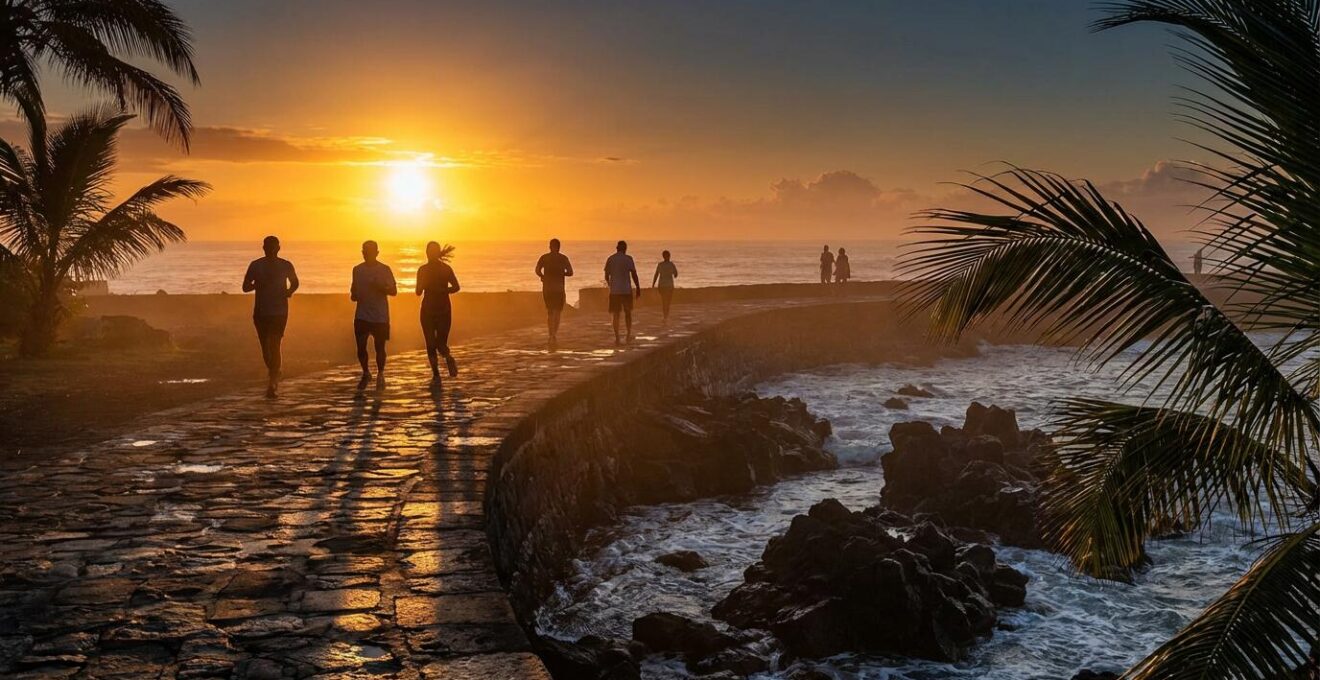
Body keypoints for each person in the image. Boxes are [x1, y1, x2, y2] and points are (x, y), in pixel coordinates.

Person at [242, 235, 299, 398]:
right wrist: (256, 285)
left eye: (273, 247)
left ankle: (272, 382)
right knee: (266, 349)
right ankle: (274, 371)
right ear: (263, 248)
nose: (270, 250)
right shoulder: (256, 265)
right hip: (260, 312)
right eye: (267, 247)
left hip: (279, 311)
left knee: (274, 343)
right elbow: (245, 287)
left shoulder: (286, 265)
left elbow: (295, 282)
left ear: (278, 248)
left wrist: (289, 292)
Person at [350, 240, 397, 388]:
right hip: (362, 315)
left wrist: (380, 287)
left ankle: (381, 373)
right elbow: (353, 291)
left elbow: (394, 291)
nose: (365, 254)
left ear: (376, 253)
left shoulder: (385, 269)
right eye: (364, 251)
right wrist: (354, 295)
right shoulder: (357, 270)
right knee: (361, 347)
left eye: (369, 251)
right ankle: (366, 372)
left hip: (380, 316)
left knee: (380, 347)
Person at [416, 241, 460, 382]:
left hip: (443, 310)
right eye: (429, 251)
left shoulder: (446, 269)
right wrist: (422, 284)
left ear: (437, 253)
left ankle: (448, 358)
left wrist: (443, 290)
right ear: (426, 253)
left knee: (441, 344)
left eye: (434, 251)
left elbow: (456, 287)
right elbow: (418, 292)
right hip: (427, 310)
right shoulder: (422, 270)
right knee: (430, 344)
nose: (430, 254)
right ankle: (435, 374)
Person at [535, 238, 574, 346]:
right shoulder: (563, 258)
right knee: (557, 312)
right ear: (559, 247)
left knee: (550, 312)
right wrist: (562, 273)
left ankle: (550, 333)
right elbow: (570, 272)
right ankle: (554, 334)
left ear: (550, 246)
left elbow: (537, 270)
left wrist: (542, 276)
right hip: (559, 289)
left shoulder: (544, 258)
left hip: (547, 289)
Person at [604, 240, 641, 345]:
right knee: (628, 313)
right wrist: (638, 288)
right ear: (625, 249)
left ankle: (617, 337)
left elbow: (606, 276)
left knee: (616, 314)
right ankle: (628, 334)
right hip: (626, 290)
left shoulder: (610, 259)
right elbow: (634, 274)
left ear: (616, 248)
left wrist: (610, 285)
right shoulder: (628, 259)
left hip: (615, 291)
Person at [652, 250, 678, 321]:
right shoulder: (671, 264)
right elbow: (676, 274)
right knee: (668, 301)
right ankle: (666, 316)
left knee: (664, 301)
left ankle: (665, 316)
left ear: (663, 256)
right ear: (669, 256)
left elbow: (656, 274)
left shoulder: (660, 264)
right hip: (669, 285)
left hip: (662, 285)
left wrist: (653, 284)